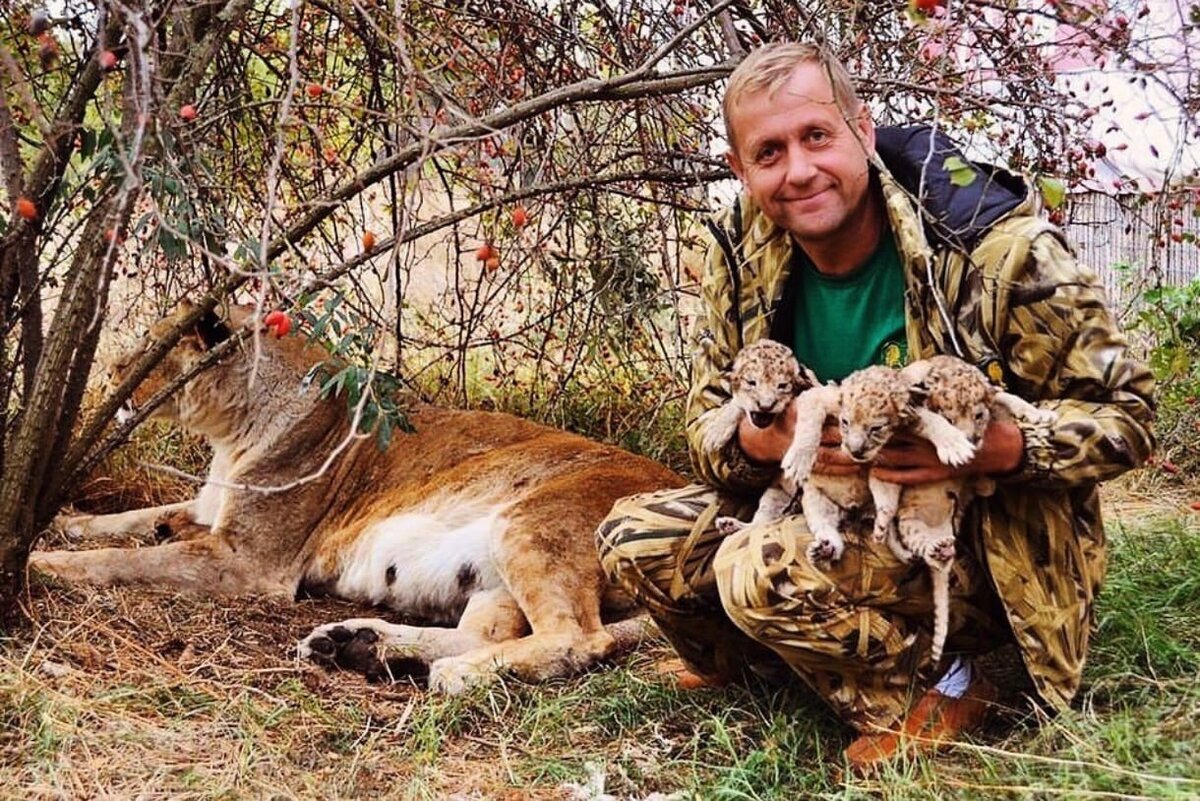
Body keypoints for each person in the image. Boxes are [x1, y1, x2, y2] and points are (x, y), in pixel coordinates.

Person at [595, 42, 1155, 771]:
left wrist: (1000, 447)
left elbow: (1131, 415)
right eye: (769, 152)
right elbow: (705, 423)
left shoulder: (993, 246)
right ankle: (765, 660)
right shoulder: (740, 248)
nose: (798, 170)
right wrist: (766, 442)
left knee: (754, 569)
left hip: (973, 533)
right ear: (741, 169)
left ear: (862, 128)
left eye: (816, 136)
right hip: (820, 504)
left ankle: (948, 680)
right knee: (630, 539)